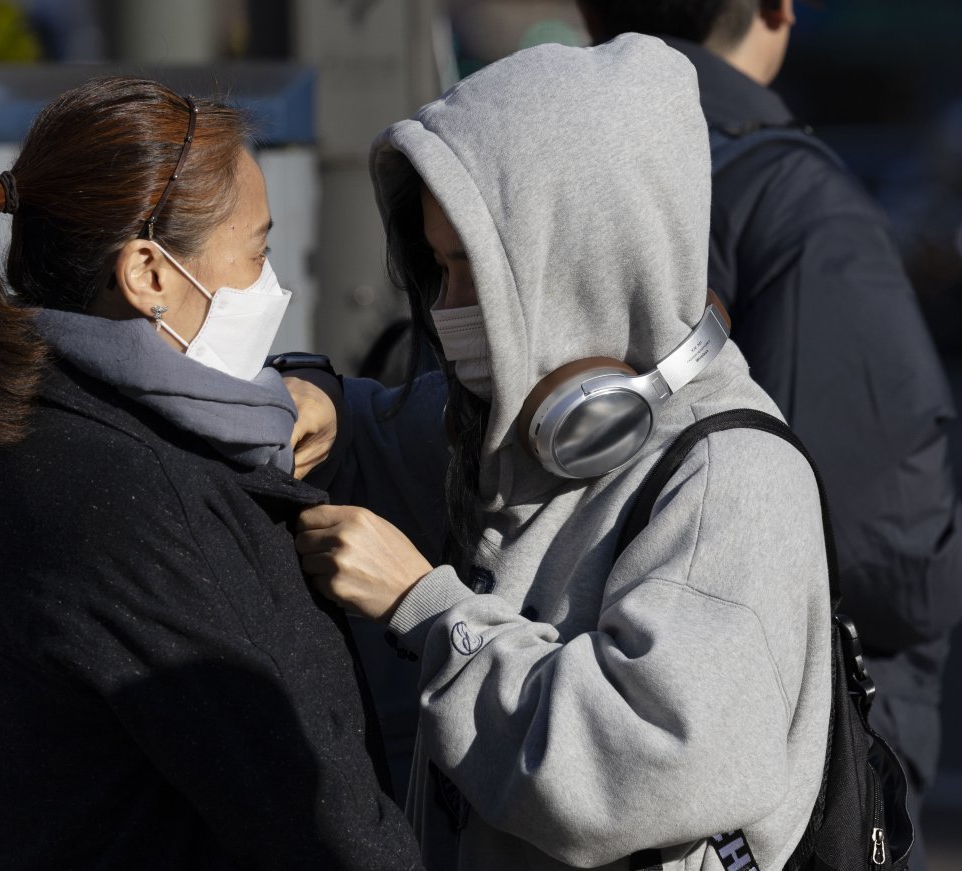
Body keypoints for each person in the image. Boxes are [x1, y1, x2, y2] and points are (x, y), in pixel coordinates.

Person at [289, 35, 832, 870]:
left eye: (474, 271)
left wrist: (430, 613)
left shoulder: (733, 480)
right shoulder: (534, 419)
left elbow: (644, 764)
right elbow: (394, 429)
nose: (447, 308)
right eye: (436, 268)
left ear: (578, 259)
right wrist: (331, 407)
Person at [0, 76, 423, 870]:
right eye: (257, 251)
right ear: (149, 275)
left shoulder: (57, 424)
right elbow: (324, 825)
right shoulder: (133, 492)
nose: (274, 285)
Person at [578, 4, 962, 866]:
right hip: (776, 770)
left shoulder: (532, 164)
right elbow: (887, 551)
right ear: (774, 7)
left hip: (557, 722)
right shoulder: (794, 200)